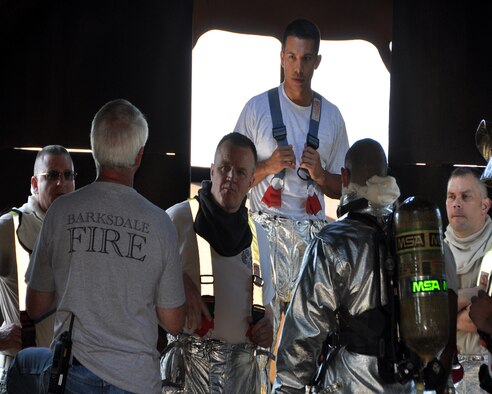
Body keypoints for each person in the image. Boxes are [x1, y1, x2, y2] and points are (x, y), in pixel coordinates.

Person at [7, 99, 186, 394]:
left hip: (72, 373)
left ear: (93, 150)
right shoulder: (159, 223)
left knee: (23, 366)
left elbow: (36, 305)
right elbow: (174, 322)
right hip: (138, 382)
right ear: (139, 155)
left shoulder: (61, 212)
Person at [272, 138, 458, 393]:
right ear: (386, 177)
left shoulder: (331, 243)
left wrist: (285, 389)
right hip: (406, 385)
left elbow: (302, 335)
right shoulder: (415, 237)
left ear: (345, 176)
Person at [234, 18, 350, 344]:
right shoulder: (256, 109)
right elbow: (229, 180)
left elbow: (344, 190)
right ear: (282, 56)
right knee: (257, 335)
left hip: (311, 240)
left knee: (304, 339)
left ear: (317, 62)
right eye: (292, 57)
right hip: (262, 239)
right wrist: (268, 165)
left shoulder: (332, 117)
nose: (299, 67)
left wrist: (322, 176)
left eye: (307, 58)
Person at [161, 132, 275, 393]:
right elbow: (142, 279)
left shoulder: (259, 236)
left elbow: (266, 304)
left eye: (240, 172)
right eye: (225, 168)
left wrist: (267, 325)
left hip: (242, 376)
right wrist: (177, 280)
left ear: (251, 183)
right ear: (212, 171)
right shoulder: (176, 219)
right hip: (187, 373)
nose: (231, 178)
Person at [0, 145, 75, 358]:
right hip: (21, 374)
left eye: (68, 175)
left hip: (70, 378)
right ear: (35, 184)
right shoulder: (10, 228)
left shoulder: (80, 231)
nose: (62, 183)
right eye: (52, 175)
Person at [445, 167, 492, 390]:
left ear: (485, 205)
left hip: (486, 371)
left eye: (466, 196)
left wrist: (438, 316)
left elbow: (481, 320)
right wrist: (470, 294)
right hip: (441, 369)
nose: (456, 204)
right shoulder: (433, 249)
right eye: (451, 197)